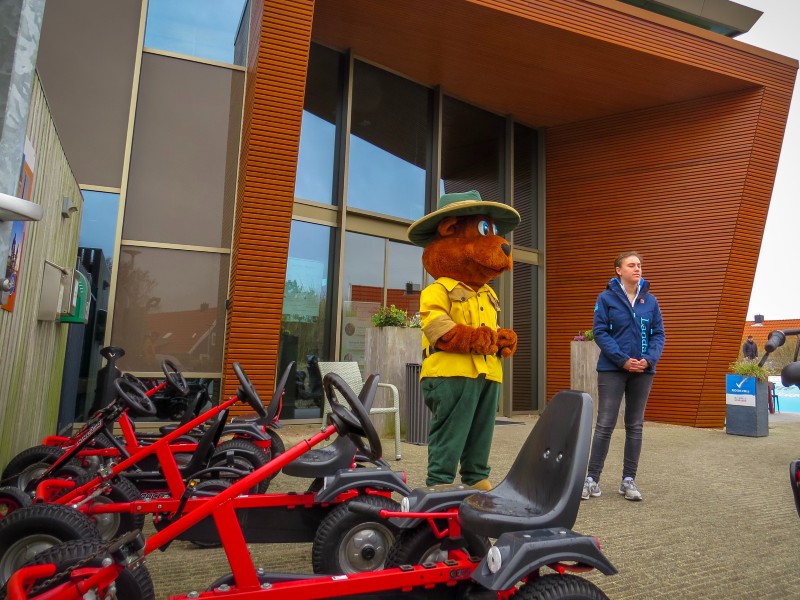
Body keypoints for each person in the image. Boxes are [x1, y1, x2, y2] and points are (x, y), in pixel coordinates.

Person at [582, 251, 665, 502]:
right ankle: (591, 480)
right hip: (612, 369)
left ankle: (628, 480)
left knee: (635, 425)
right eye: (631, 265)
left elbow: (658, 334)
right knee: (605, 424)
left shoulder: (650, 301)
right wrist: (622, 360)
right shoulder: (606, 298)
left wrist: (648, 359)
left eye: (639, 265)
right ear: (619, 270)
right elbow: (600, 332)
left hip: (643, 371)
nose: (637, 268)